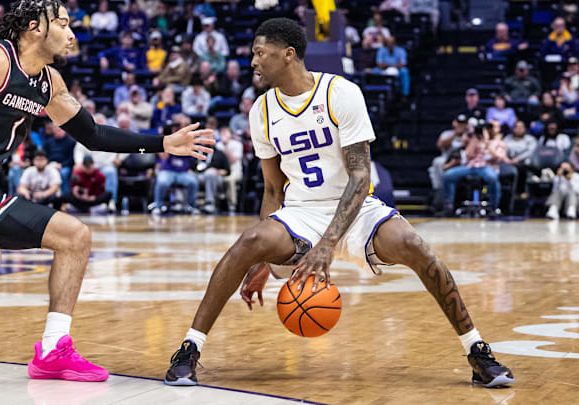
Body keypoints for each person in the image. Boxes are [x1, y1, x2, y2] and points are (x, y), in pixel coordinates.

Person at [0, 0, 213, 385]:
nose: (72, 33)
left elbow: (92, 134)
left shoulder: (49, 83)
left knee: (75, 236)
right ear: (34, 27)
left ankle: (52, 350)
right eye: (62, 24)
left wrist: (163, 142)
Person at [163, 18, 513, 388]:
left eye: (260, 53)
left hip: (356, 207)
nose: (253, 61)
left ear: (288, 55)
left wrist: (328, 245)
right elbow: (271, 190)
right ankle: (189, 349)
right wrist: (264, 257)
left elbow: (361, 178)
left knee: (415, 246)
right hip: (301, 213)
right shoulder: (261, 111)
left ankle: (477, 351)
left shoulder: (339, 93)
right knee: (246, 244)